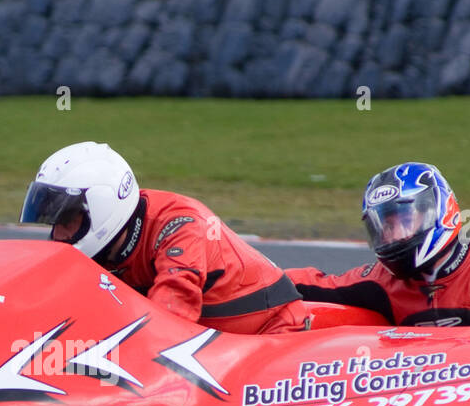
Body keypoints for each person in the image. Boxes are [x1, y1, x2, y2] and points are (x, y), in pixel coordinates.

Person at [20, 141, 307, 334]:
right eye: (54, 223)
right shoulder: (102, 245)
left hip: (267, 334)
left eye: (68, 220)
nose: (58, 235)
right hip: (208, 342)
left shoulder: (179, 225)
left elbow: (167, 323)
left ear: (103, 207)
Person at [286, 161, 470, 327]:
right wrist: (254, 273)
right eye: (385, 227)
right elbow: (311, 283)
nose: (394, 236)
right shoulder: (381, 281)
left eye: (404, 220)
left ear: (438, 210)